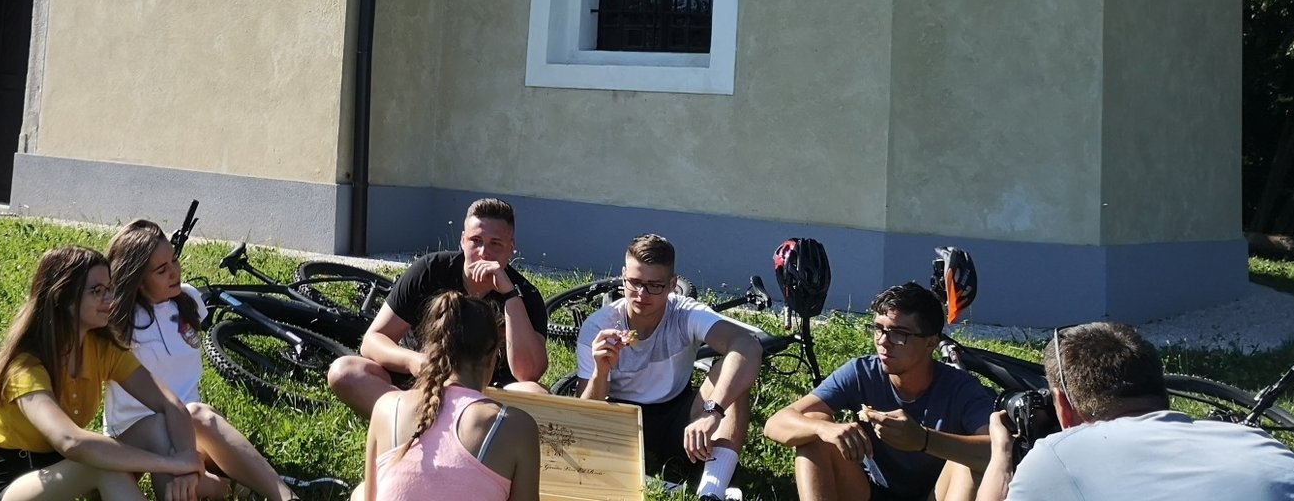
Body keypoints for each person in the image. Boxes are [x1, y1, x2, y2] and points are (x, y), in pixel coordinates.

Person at [104, 220, 340, 501]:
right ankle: (241, 486)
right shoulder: (117, 323)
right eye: (161, 269)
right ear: (137, 280)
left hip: (189, 428)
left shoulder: (188, 299)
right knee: (185, 427)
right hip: (135, 434)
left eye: (174, 260)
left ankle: (275, 494)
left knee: (190, 431)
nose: (174, 272)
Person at [979, 321, 1294, 501]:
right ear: (1161, 389)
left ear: (1062, 405)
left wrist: (1001, 453)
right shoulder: (1255, 442)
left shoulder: (1058, 456)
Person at [0, 244, 204, 501]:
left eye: (109, 289)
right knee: (102, 466)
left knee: (159, 427)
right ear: (62, 298)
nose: (110, 300)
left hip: (70, 470)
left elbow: (169, 404)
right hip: (15, 482)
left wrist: (186, 461)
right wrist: (169, 464)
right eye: (97, 291)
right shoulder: (25, 365)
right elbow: (70, 441)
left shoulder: (101, 347)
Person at [572, 234, 763, 498]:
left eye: (654, 286)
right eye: (634, 283)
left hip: (677, 413)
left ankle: (712, 492)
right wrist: (600, 371)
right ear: (623, 276)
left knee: (734, 378)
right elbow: (585, 413)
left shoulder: (684, 313)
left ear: (673, 284)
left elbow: (748, 346)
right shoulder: (598, 326)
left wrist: (713, 412)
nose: (641, 295)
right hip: (621, 419)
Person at [766, 282, 993, 501]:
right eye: (878, 329)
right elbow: (775, 424)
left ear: (931, 343)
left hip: (938, 493)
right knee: (813, 428)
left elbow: (998, 450)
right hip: (868, 491)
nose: (884, 341)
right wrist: (823, 428)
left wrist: (922, 439)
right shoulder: (862, 373)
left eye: (898, 333)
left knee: (969, 460)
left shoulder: (960, 387)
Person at [327, 198, 549, 418]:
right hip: (421, 382)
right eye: (476, 240)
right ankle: (407, 423)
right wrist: (415, 361)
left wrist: (510, 295)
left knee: (536, 394)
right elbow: (373, 341)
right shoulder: (430, 271)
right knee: (345, 371)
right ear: (462, 240)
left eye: (495, 244)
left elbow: (528, 372)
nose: (483, 253)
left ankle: (465, 430)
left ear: (511, 248)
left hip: (487, 394)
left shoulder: (525, 295)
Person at [357, 290, 541, 501]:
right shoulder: (516, 426)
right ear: (493, 357)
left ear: (431, 350)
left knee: (359, 492)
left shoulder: (386, 407)